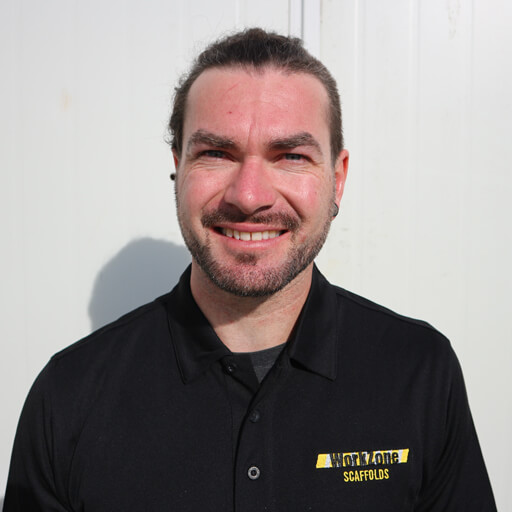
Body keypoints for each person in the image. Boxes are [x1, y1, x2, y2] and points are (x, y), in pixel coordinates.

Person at [4, 28, 496, 511]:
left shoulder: (419, 372)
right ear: (178, 169)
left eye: (291, 156)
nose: (249, 195)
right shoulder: (67, 397)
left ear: (338, 178)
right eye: (216, 153)